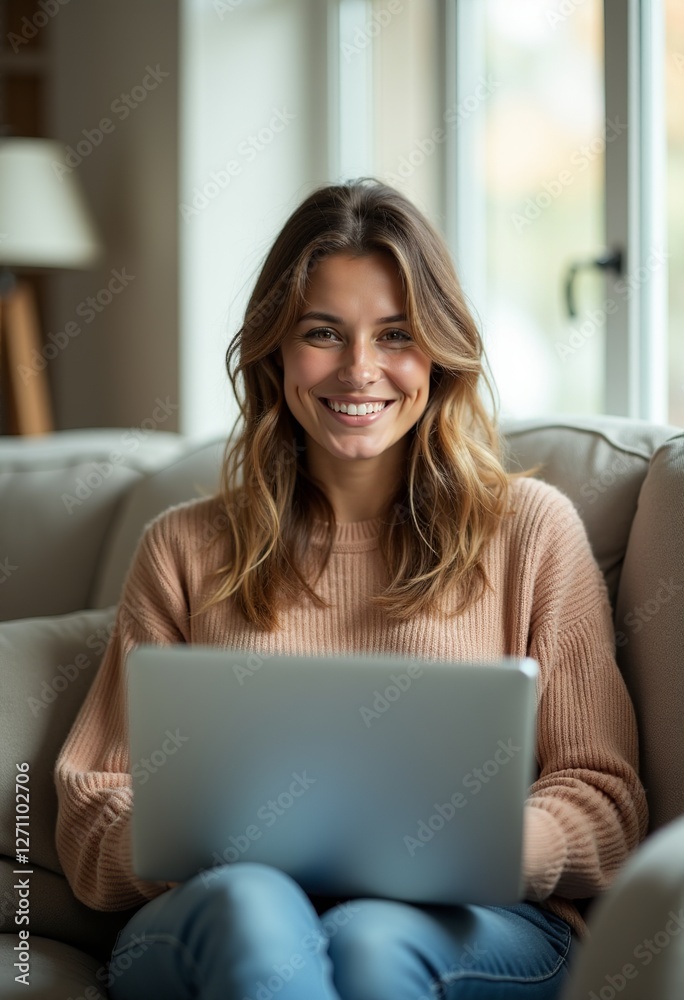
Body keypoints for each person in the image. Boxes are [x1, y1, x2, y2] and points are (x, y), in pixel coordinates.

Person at [54, 178, 648, 1000]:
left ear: (440, 350)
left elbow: (606, 802)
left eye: (396, 334)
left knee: (369, 938)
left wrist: (481, 846)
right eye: (323, 333)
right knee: (254, 908)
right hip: (219, 916)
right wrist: (214, 843)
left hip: (459, 920)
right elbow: (90, 814)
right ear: (275, 352)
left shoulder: (532, 532)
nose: (360, 370)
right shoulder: (184, 549)